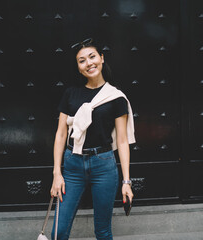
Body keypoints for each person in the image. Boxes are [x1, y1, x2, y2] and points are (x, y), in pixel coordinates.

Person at [50, 38, 135, 240]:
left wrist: (126, 181)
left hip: (103, 165)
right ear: (79, 68)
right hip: (72, 166)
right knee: (58, 232)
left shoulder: (116, 98)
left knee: (103, 232)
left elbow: (122, 141)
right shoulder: (71, 94)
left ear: (101, 58)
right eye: (82, 61)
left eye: (92, 56)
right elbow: (61, 134)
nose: (89, 63)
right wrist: (56, 173)